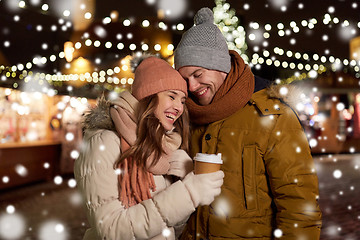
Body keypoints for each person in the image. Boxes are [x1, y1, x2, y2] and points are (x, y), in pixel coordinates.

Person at [174, 7, 322, 240]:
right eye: (184, 79)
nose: (192, 86)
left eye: (198, 74)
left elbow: (299, 206)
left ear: (220, 65)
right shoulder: (186, 116)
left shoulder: (272, 116)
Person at [74, 55, 225, 240]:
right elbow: (110, 230)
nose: (178, 107)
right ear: (149, 96)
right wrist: (188, 193)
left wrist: (185, 178)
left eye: (183, 101)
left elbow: (171, 226)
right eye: (172, 96)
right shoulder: (104, 142)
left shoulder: (160, 147)